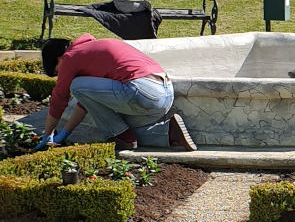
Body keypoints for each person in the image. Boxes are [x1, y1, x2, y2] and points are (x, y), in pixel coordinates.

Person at [39, 35, 196, 152]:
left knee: (76, 86)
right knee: (125, 128)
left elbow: (59, 98)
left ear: (59, 58)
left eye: (58, 72)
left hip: (141, 92)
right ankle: (168, 133)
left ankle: (123, 137)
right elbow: (87, 102)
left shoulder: (70, 57)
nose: (61, 77)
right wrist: (65, 132)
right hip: (164, 94)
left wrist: (48, 134)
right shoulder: (92, 50)